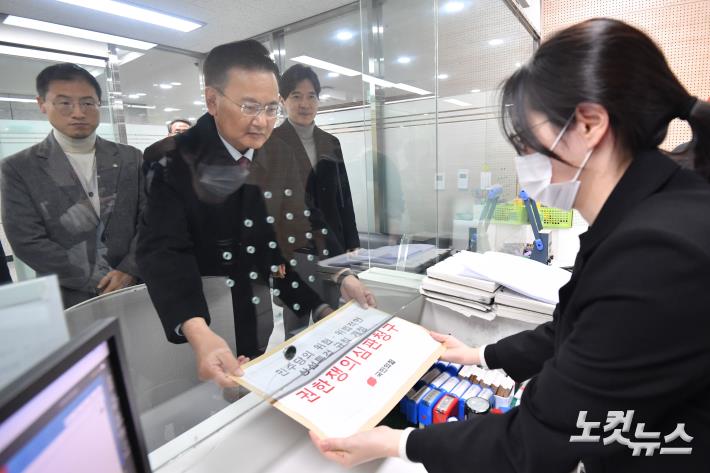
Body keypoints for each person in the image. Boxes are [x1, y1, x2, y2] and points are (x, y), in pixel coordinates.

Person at [311, 18, 710, 472]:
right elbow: (576, 331)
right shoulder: (654, 208)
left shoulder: (655, 251)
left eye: (526, 143)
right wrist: (481, 355)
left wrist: (400, 443)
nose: (523, 162)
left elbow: (537, 441)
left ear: (589, 125)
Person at [137, 40, 373, 388]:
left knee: (253, 385)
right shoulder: (170, 158)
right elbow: (163, 251)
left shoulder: (277, 153)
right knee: (207, 401)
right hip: (199, 312)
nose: (262, 122)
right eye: (249, 107)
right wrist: (197, 329)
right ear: (212, 101)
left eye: (270, 108)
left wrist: (338, 275)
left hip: (256, 302)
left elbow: (301, 222)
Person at [1, 63, 143, 307]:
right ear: (42, 104)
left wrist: (130, 269)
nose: (78, 112)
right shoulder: (18, 168)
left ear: (99, 104)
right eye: (64, 103)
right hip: (70, 296)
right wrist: (95, 279)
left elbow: (151, 218)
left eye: (88, 103)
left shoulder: (131, 157)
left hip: (137, 285)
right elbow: (27, 240)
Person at [270, 64, 371, 337]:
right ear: (282, 100)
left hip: (332, 239)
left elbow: (344, 196)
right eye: (295, 96)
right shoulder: (270, 143)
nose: (305, 104)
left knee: (334, 308)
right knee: (298, 317)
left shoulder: (330, 142)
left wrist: (353, 242)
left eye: (311, 96)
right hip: (293, 246)